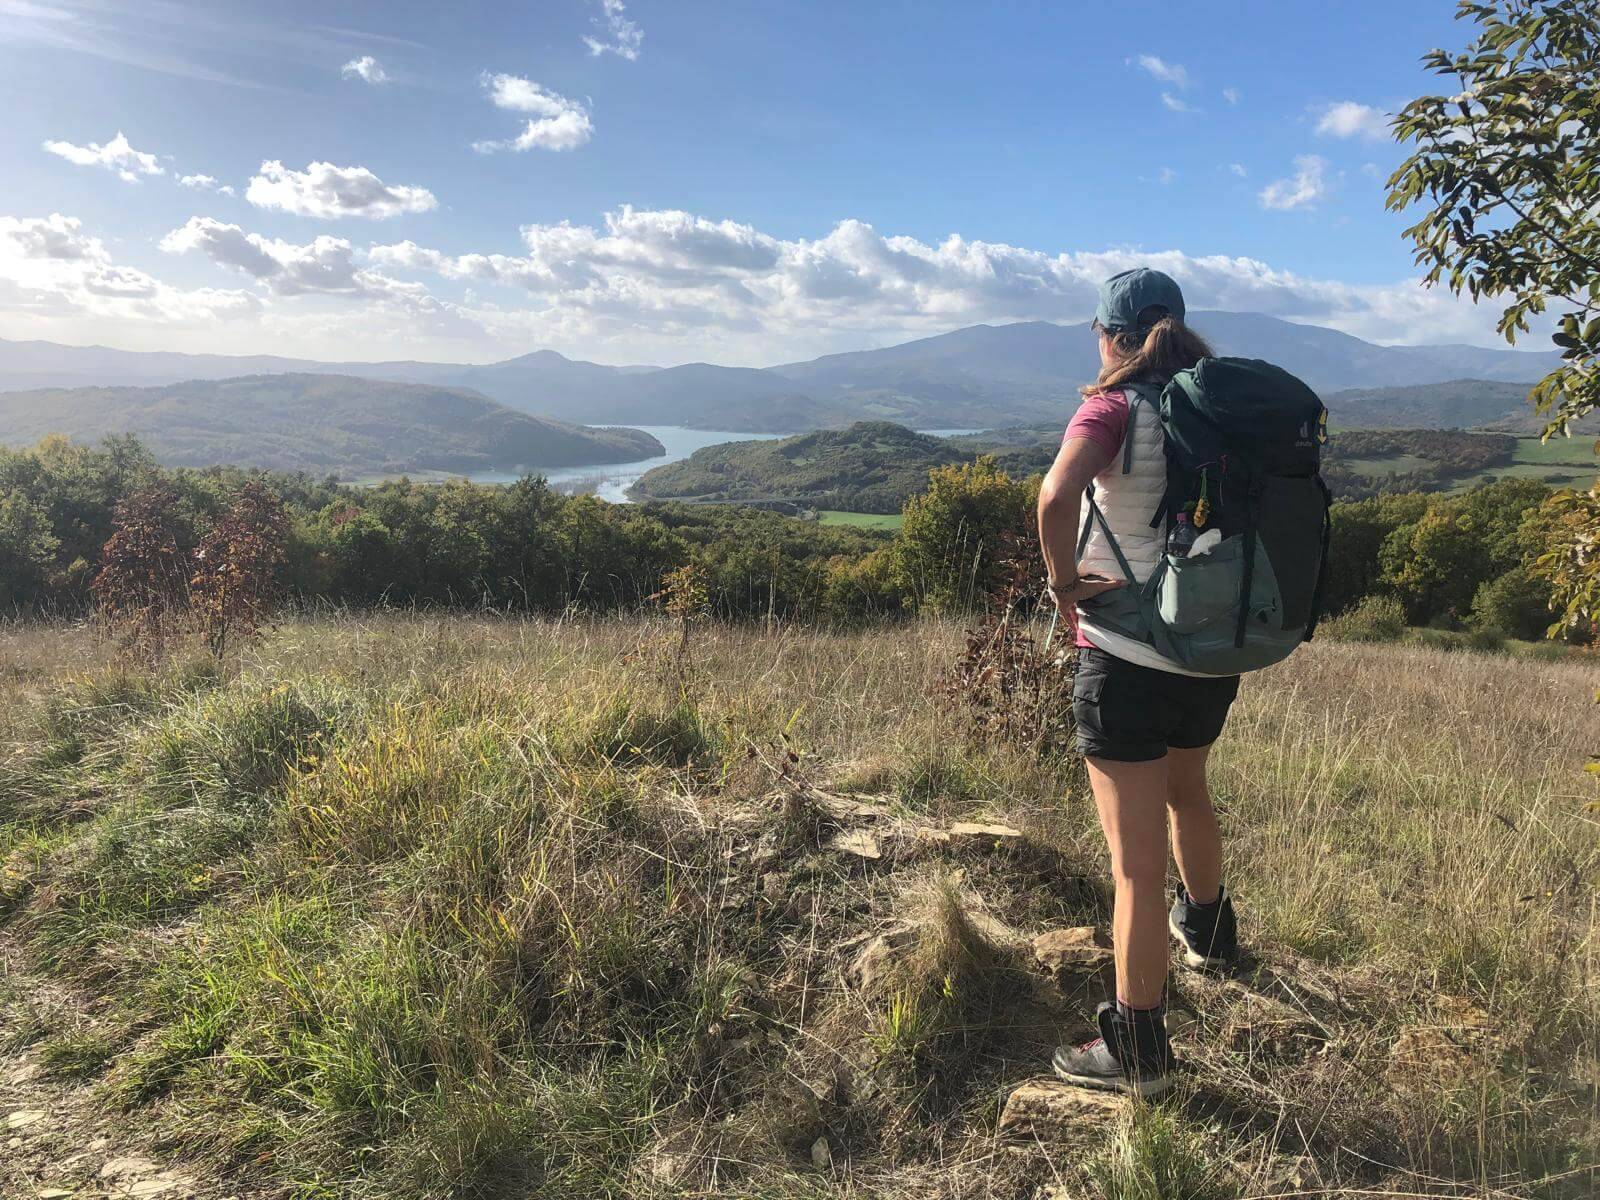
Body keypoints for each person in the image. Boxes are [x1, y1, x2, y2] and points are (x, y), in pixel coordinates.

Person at [1035, 268, 1241, 1097]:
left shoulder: (1114, 408)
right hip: (1209, 651)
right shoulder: (1215, 410)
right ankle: (1214, 933)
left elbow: (1055, 496)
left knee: (1133, 869)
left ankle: (1138, 1050)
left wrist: (1060, 588)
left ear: (1112, 337)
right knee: (1189, 791)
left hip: (1124, 655)